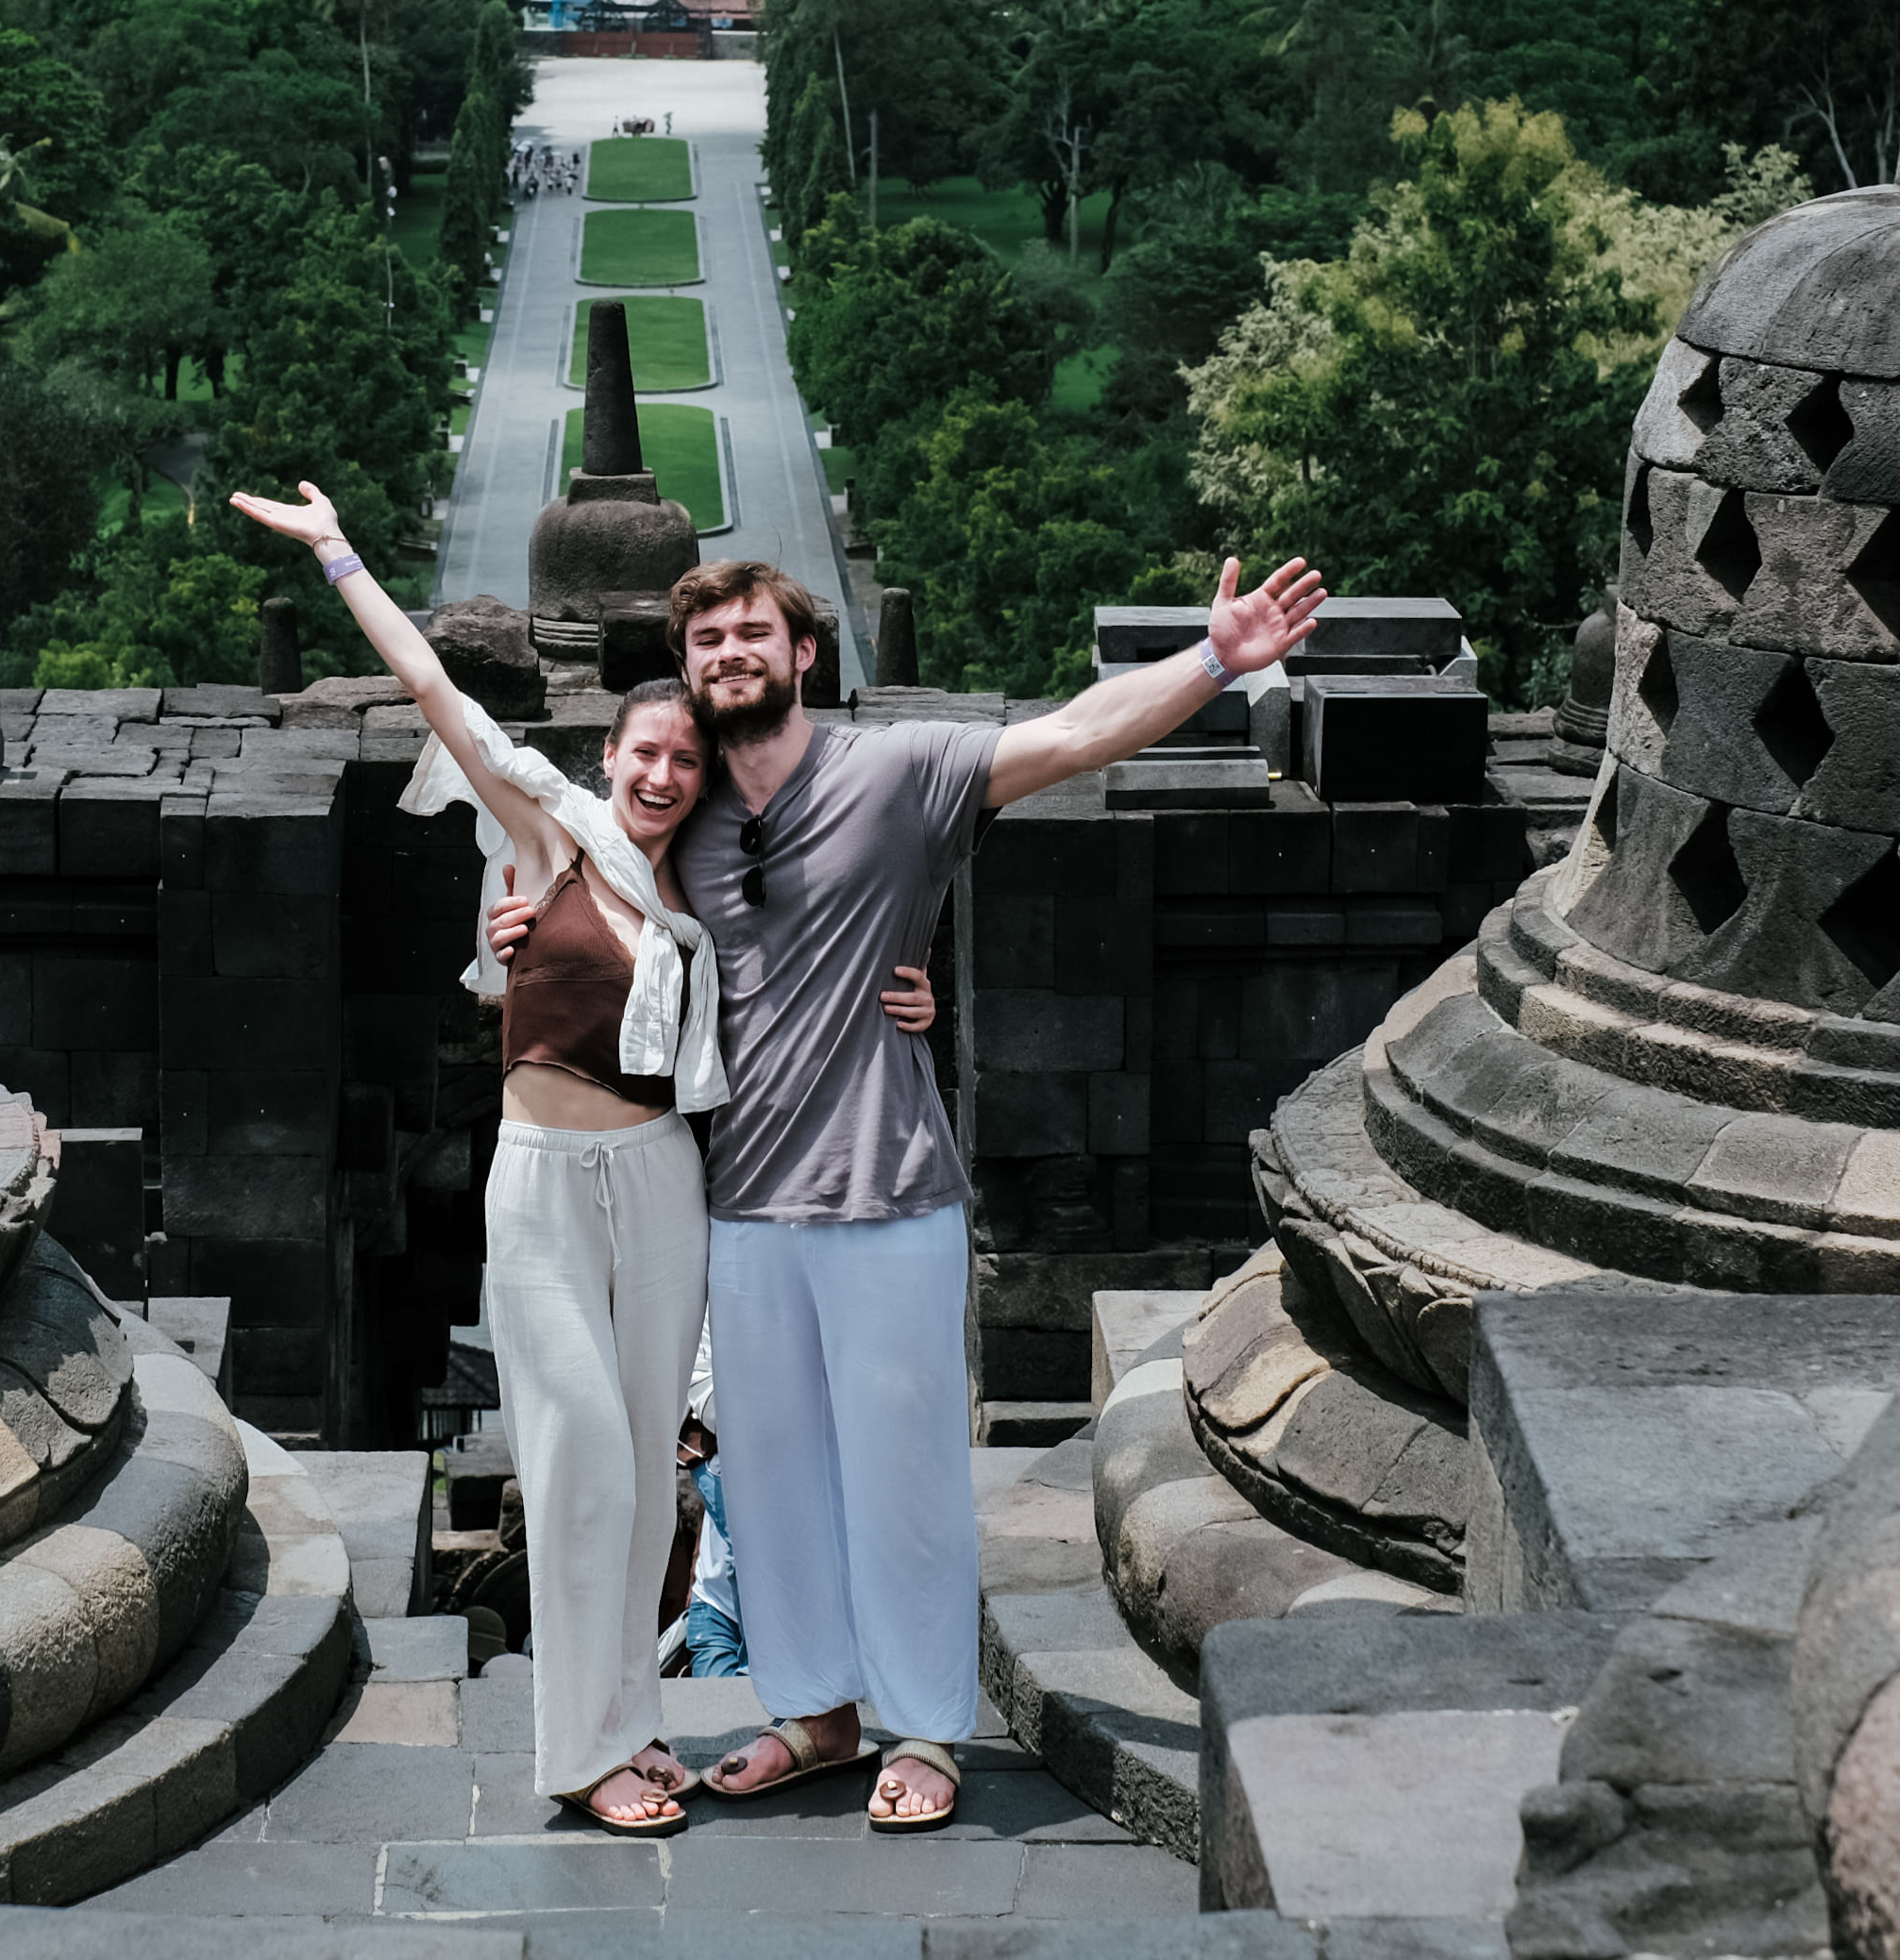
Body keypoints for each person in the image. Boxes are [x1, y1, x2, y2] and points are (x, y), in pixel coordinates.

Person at [496, 550, 1325, 1832]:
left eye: (749, 633)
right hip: (742, 1202)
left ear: (801, 654)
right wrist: (516, 925)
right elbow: (582, 889)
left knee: (906, 1476)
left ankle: (927, 1730)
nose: (727, 652)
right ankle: (817, 1713)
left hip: (888, 1195)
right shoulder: (694, 812)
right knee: (766, 1486)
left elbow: (1071, 736)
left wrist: (1215, 657)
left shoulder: (896, 770)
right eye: (706, 636)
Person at [227, 482, 934, 1835]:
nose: (664, 775)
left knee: (646, 1476)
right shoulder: (555, 839)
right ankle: (579, 1750)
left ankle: (631, 1728)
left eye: (685, 760)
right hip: (544, 1182)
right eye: (644, 754)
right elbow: (437, 691)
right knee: (581, 1468)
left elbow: (831, 961)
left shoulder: (716, 897)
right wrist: (338, 559)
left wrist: (916, 1002)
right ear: (609, 758)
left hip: (665, 1185)